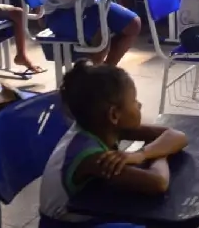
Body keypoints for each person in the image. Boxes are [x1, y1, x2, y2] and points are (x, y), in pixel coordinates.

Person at [38, 59, 188, 227]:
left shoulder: (100, 125)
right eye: (133, 101)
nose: (139, 104)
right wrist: (160, 153)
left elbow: (177, 136)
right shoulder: (93, 157)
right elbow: (157, 182)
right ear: (114, 114)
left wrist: (142, 154)